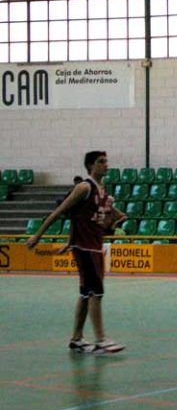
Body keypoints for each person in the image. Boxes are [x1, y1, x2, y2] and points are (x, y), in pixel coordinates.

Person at [26, 151, 126, 354]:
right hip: (85, 248)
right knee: (96, 293)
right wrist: (38, 235)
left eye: (106, 161)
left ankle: (77, 339)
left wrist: (113, 220)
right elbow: (61, 211)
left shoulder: (103, 191)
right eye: (101, 162)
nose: (106, 165)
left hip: (93, 246)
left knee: (85, 294)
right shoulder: (84, 187)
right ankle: (100, 340)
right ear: (90, 166)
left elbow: (87, 218)